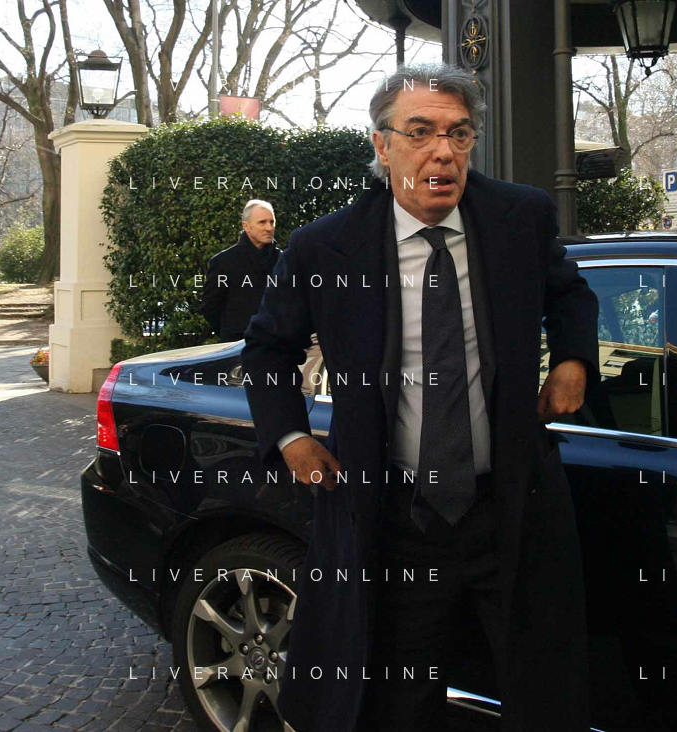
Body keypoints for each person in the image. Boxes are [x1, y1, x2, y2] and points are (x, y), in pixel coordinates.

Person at [240, 63, 601, 732]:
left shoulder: (518, 218)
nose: (443, 152)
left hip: (510, 504)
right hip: (394, 517)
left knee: (544, 691)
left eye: (459, 134)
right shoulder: (326, 247)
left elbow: (569, 293)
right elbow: (267, 348)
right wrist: (290, 437)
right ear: (383, 147)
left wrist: (572, 359)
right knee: (397, 700)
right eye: (421, 132)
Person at [199, 200, 281, 341]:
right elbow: (210, 308)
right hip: (238, 345)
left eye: (272, 222)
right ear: (246, 226)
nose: (269, 228)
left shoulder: (284, 260)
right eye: (262, 222)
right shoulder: (222, 262)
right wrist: (232, 333)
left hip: (279, 344)